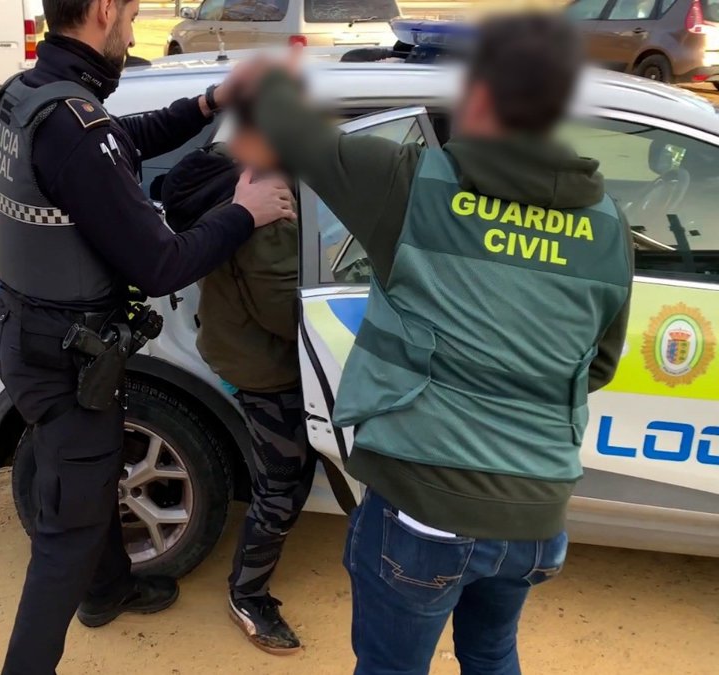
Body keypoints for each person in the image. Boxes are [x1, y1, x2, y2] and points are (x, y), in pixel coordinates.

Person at [237, 13, 634, 674]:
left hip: (424, 511)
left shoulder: (409, 184)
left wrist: (273, 74)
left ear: (477, 96)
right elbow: (598, 364)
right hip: (535, 518)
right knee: (491, 652)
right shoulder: (608, 225)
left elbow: (286, 123)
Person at [0, 0, 296, 672]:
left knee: (88, 475)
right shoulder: (72, 123)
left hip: (31, 335)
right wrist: (243, 212)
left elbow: (118, 141)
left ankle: (108, 590)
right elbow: (161, 265)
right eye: (129, 14)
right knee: (66, 532)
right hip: (65, 356)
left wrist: (208, 103)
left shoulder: (32, 94)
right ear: (103, 10)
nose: (132, 30)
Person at [159, 117, 312, 655]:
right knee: (282, 482)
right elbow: (285, 311)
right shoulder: (269, 202)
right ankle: (248, 595)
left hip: (231, 341)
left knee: (283, 471)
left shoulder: (226, 168)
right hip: (267, 364)